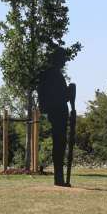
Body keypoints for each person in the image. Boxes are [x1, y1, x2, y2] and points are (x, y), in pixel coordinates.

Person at [36, 48, 71, 187]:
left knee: (60, 144)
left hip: (56, 111)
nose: (64, 61)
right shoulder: (54, 75)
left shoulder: (51, 74)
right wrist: (70, 92)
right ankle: (59, 178)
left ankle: (59, 177)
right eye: (63, 59)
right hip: (58, 112)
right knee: (59, 144)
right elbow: (59, 97)